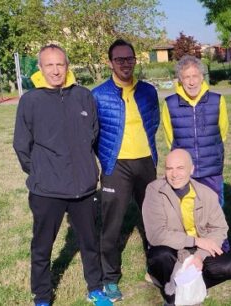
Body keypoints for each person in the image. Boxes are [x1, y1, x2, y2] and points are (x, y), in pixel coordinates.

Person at [13, 44, 111, 306]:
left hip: (84, 188)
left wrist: (85, 167)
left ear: (67, 66)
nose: (55, 70)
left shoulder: (83, 96)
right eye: (49, 65)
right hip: (47, 190)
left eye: (60, 64)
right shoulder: (30, 101)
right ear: (41, 68)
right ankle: (43, 296)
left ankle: (95, 289)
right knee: (42, 247)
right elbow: (22, 145)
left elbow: (93, 133)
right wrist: (40, 173)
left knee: (90, 243)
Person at [92, 39, 160, 301]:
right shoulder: (98, 95)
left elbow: (152, 122)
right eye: (119, 59)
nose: (125, 63)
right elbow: (94, 133)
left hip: (146, 163)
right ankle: (110, 278)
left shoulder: (148, 91)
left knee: (153, 219)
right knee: (112, 223)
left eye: (129, 58)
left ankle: (157, 266)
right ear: (110, 63)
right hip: (115, 165)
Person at [142, 149, 231, 305]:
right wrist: (196, 241)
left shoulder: (206, 194)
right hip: (171, 248)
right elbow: (156, 234)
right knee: (160, 256)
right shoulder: (154, 190)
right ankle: (172, 296)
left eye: (180, 168)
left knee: (228, 267)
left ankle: (191, 284)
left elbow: (220, 229)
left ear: (191, 169)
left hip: (198, 250)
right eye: (169, 168)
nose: (174, 174)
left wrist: (199, 256)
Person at [162, 55, 229, 206]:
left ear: (201, 77)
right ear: (180, 79)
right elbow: (169, 138)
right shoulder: (170, 104)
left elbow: (222, 132)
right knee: (186, 214)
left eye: (195, 76)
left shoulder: (217, 100)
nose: (191, 82)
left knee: (214, 212)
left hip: (211, 169)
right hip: (184, 172)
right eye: (186, 77)